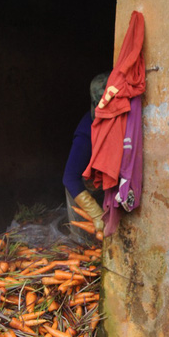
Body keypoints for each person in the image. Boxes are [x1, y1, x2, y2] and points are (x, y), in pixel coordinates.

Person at [62, 72, 110, 233]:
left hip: (108, 191)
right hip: (83, 192)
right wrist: (96, 214)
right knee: (87, 242)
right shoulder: (87, 130)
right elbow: (70, 178)